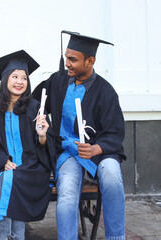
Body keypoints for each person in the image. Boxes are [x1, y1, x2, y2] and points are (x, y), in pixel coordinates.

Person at [32, 30, 126, 240]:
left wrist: (95, 148)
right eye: (66, 58)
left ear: (90, 61)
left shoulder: (105, 92)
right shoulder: (58, 81)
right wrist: (9, 109)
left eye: (73, 59)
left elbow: (116, 132)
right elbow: (34, 101)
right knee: (66, 194)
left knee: (111, 175)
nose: (67, 63)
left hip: (99, 152)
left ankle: (116, 237)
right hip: (67, 151)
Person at [0, 50, 55, 240]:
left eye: (24, 78)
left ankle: (2, 236)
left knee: (6, 180)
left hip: (32, 168)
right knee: (5, 178)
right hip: (8, 167)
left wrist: (42, 135)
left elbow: (46, 146)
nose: (20, 82)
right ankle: (16, 236)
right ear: (5, 80)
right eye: (15, 76)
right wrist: (3, 160)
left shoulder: (35, 108)